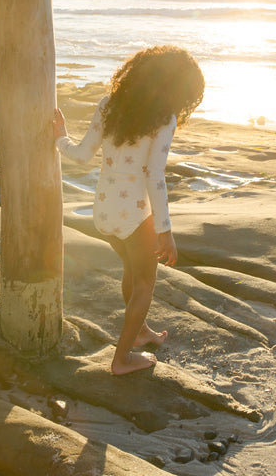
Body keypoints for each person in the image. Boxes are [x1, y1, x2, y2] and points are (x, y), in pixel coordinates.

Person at [53, 46, 205, 375]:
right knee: (145, 285)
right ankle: (121, 359)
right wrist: (165, 230)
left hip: (104, 210)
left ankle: (140, 333)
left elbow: (81, 156)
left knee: (131, 271)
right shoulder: (164, 118)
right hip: (136, 215)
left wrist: (60, 138)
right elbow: (155, 175)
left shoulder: (110, 104)